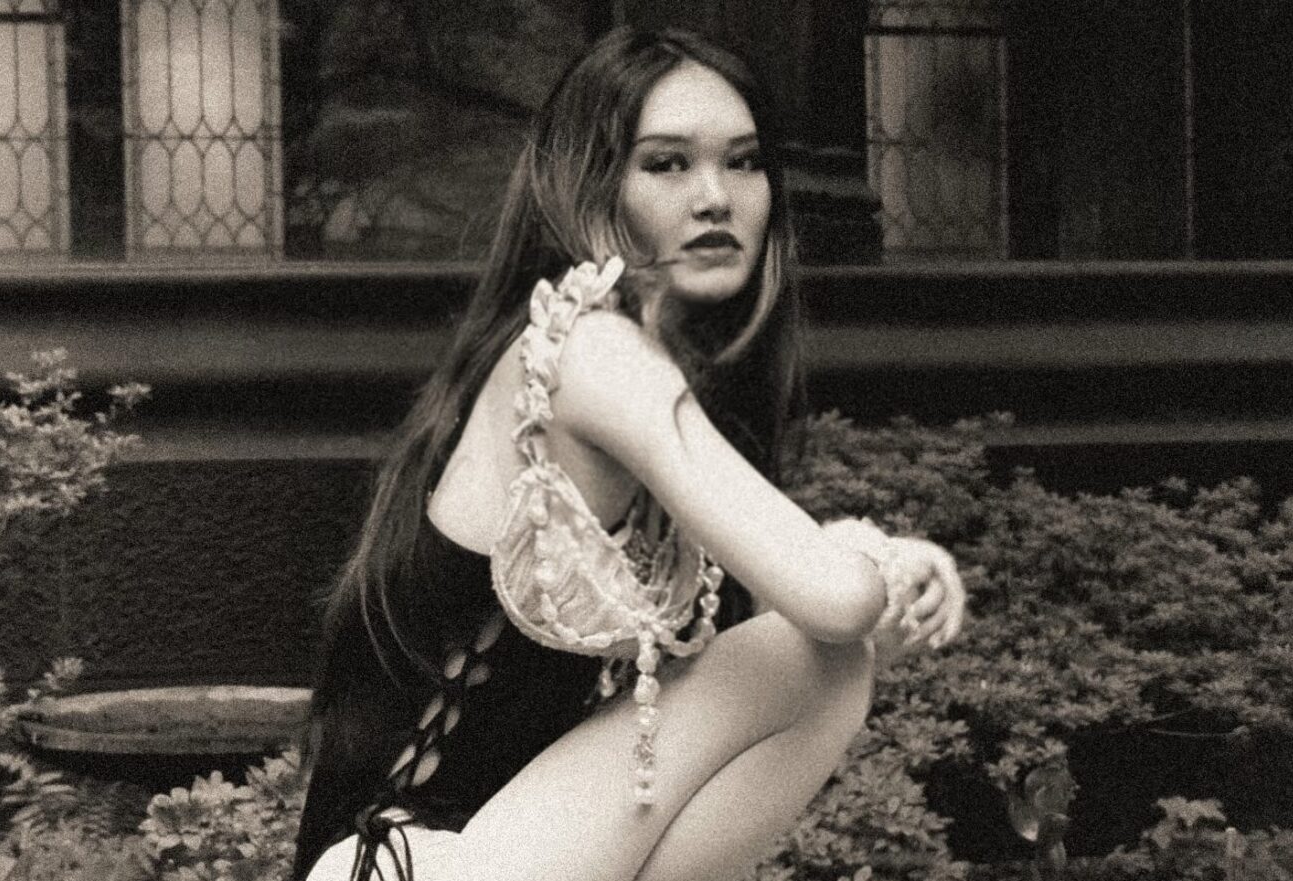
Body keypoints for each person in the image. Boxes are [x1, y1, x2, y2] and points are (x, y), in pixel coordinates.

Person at [291, 25, 967, 881]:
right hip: (401, 862)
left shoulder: (630, 363)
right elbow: (835, 603)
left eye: (747, 161)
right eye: (668, 163)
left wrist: (868, 587)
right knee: (820, 655)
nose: (717, 197)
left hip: (485, 854)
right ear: (592, 187)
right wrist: (880, 554)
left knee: (827, 663)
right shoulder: (590, 353)